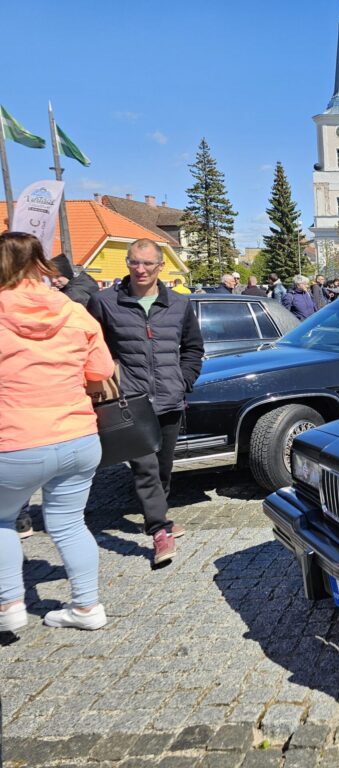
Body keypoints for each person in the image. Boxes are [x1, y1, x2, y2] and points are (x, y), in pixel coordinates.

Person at [0, 232, 116, 632]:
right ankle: (87, 607)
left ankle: (10, 604)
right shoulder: (73, 311)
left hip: (14, 439)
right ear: (41, 264)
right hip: (77, 436)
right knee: (70, 523)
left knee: (2, 520)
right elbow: (101, 371)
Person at [88, 238, 204, 566]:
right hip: (131, 403)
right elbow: (93, 348)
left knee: (163, 468)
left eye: (148, 263)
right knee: (145, 468)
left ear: (160, 266)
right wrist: (106, 383)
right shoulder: (105, 302)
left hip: (169, 399)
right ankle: (158, 530)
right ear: (127, 263)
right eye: (134, 262)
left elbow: (193, 348)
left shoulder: (179, 304)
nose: (140, 269)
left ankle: (158, 515)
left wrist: (183, 380)